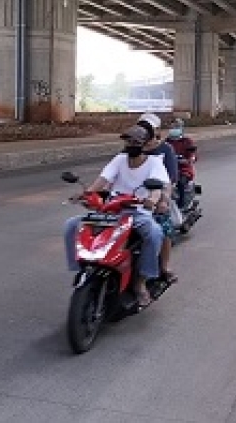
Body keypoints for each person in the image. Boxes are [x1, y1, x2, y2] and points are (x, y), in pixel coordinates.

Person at [64, 125, 169, 307]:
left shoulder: (154, 163)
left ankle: (142, 281)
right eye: (128, 141)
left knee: (154, 233)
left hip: (137, 211)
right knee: (71, 225)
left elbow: (158, 188)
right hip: (111, 209)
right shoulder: (119, 159)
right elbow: (102, 180)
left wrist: (152, 200)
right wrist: (86, 194)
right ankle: (81, 266)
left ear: (144, 144)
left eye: (135, 142)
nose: (131, 145)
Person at [135, 113, 178, 283]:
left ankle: (164, 266)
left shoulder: (165, 150)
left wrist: (163, 200)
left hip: (156, 197)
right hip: (131, 199)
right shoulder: (129, 150)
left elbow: (170, 179)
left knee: (163, 226)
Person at [166, 118, 197, 208]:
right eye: (172, 127)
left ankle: (181, 206)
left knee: (181, 182)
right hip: (168, 170)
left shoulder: (187, 141)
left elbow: (193, 155)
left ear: (181, 128)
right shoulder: (166, 142)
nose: (173, 129)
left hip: (183, 170)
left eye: (176, 127)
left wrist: (189, 159)